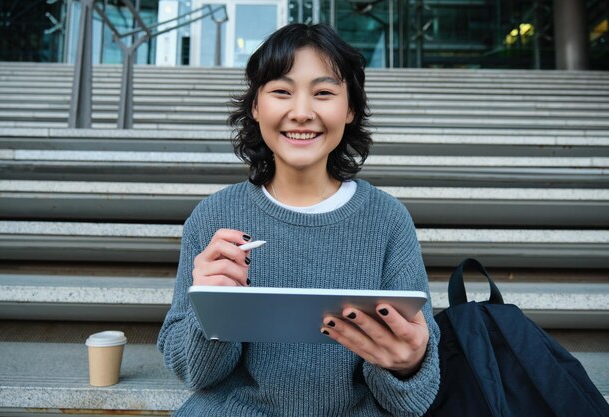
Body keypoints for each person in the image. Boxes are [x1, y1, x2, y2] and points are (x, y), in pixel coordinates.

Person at [157, 23, 440, 417]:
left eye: (324, 93)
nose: (302, 113)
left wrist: (408, 365)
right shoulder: (215, 217)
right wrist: (214, 308)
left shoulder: (388, 220)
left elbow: (411, 400)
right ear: (256, 106)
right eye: (281, 92)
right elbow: (194, 373)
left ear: (350, 108)